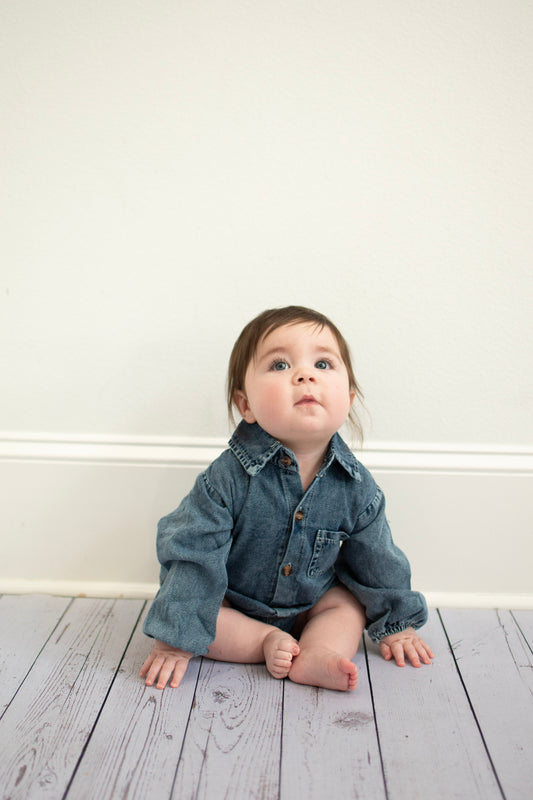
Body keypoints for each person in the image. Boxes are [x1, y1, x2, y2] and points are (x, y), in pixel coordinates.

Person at [140, 306, 434, 692]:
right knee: (211, 617)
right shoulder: (226, 479)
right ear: (246, 405)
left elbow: (376, 562)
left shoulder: (357, 487)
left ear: (347, 398)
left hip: (308, 605)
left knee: (346, 607)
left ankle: (316, 652)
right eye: (280, 365)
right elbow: (194, 554)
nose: (305, 374)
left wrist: (398, 624)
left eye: (323, 364)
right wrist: (175, 640)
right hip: (233, 603)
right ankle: (262, 641)